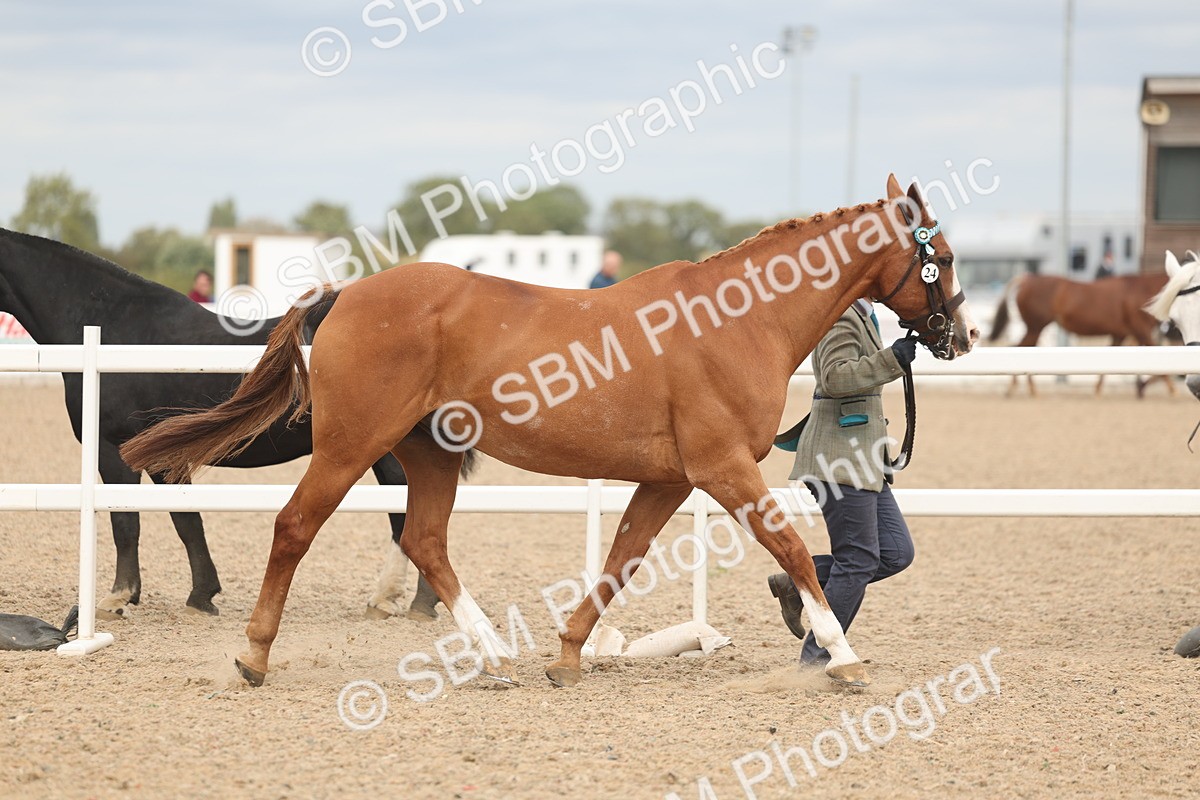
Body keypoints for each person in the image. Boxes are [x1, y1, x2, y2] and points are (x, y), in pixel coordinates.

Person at [769, 298, 918, 668]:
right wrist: (891, 360)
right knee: (859, 558)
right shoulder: (838, 312)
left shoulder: (862, 313)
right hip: (839, 457)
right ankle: (817, 659)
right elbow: (834, 377)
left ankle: (800, 580)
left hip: (863, 458)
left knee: (896, 553)